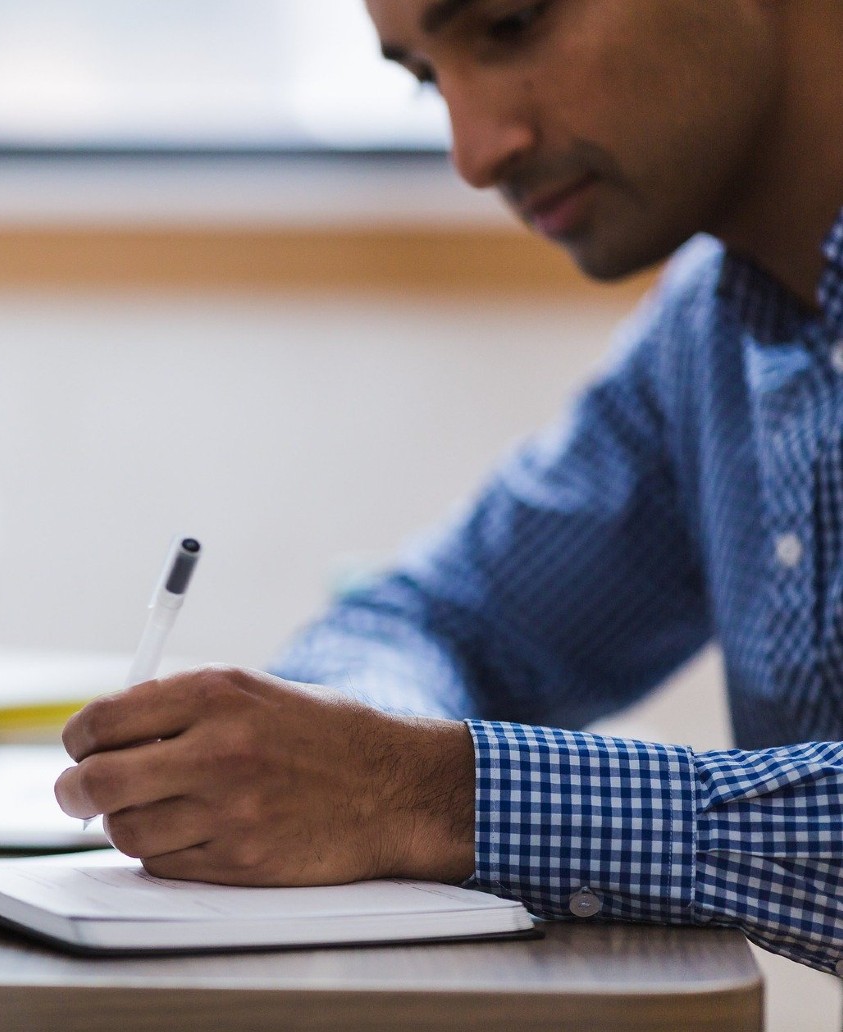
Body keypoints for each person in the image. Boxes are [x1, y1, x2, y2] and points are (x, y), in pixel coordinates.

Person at [54, 0, 843, 974]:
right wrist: (336, 758)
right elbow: (443, 618)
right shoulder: (713, 333)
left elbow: (417, 774)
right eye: (427, 77)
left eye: (509, 26)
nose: (473, 154)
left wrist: (425, 793)